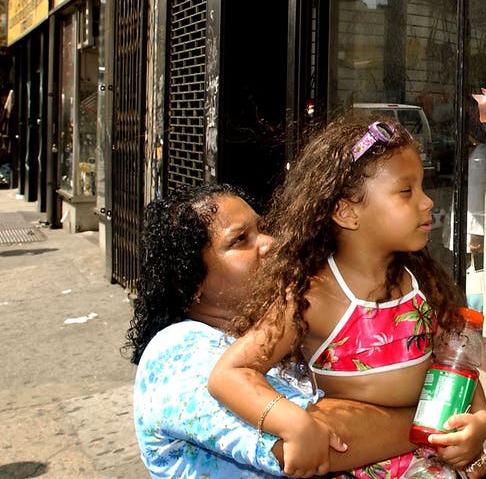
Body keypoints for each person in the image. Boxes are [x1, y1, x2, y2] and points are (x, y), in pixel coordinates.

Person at [208, 113, 486, 478]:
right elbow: (230, 373)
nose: (426, 203)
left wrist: (479, 421)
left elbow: (458, 365)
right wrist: (291, 422)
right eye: (406, 191)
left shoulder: (422, 283)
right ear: (346, 210)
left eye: (423, 187)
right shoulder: (312, 296)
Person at [125, 183, 417, 478]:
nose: (270, 243)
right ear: (190, 281)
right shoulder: (177, 355)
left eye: (262, 228)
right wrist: (435, 418)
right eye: (240, 240)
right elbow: (322, 440)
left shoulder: (275, 330)